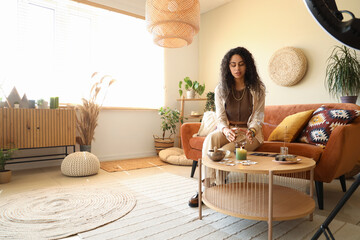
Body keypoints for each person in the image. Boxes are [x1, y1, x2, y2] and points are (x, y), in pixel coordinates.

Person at [188, 46, 266, 207]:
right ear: (228, 67)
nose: (237, 68)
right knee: (210, 139)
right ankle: (207, 186)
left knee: (226, 151)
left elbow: (258, 116)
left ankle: (220, 186)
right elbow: (220, 117)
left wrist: (252, 130)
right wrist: (225, 130)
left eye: (241, 64)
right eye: (233, 64)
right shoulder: (221, 89)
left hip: (249, 134)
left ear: (248, 66)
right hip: (228, 130)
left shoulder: (258, 89)